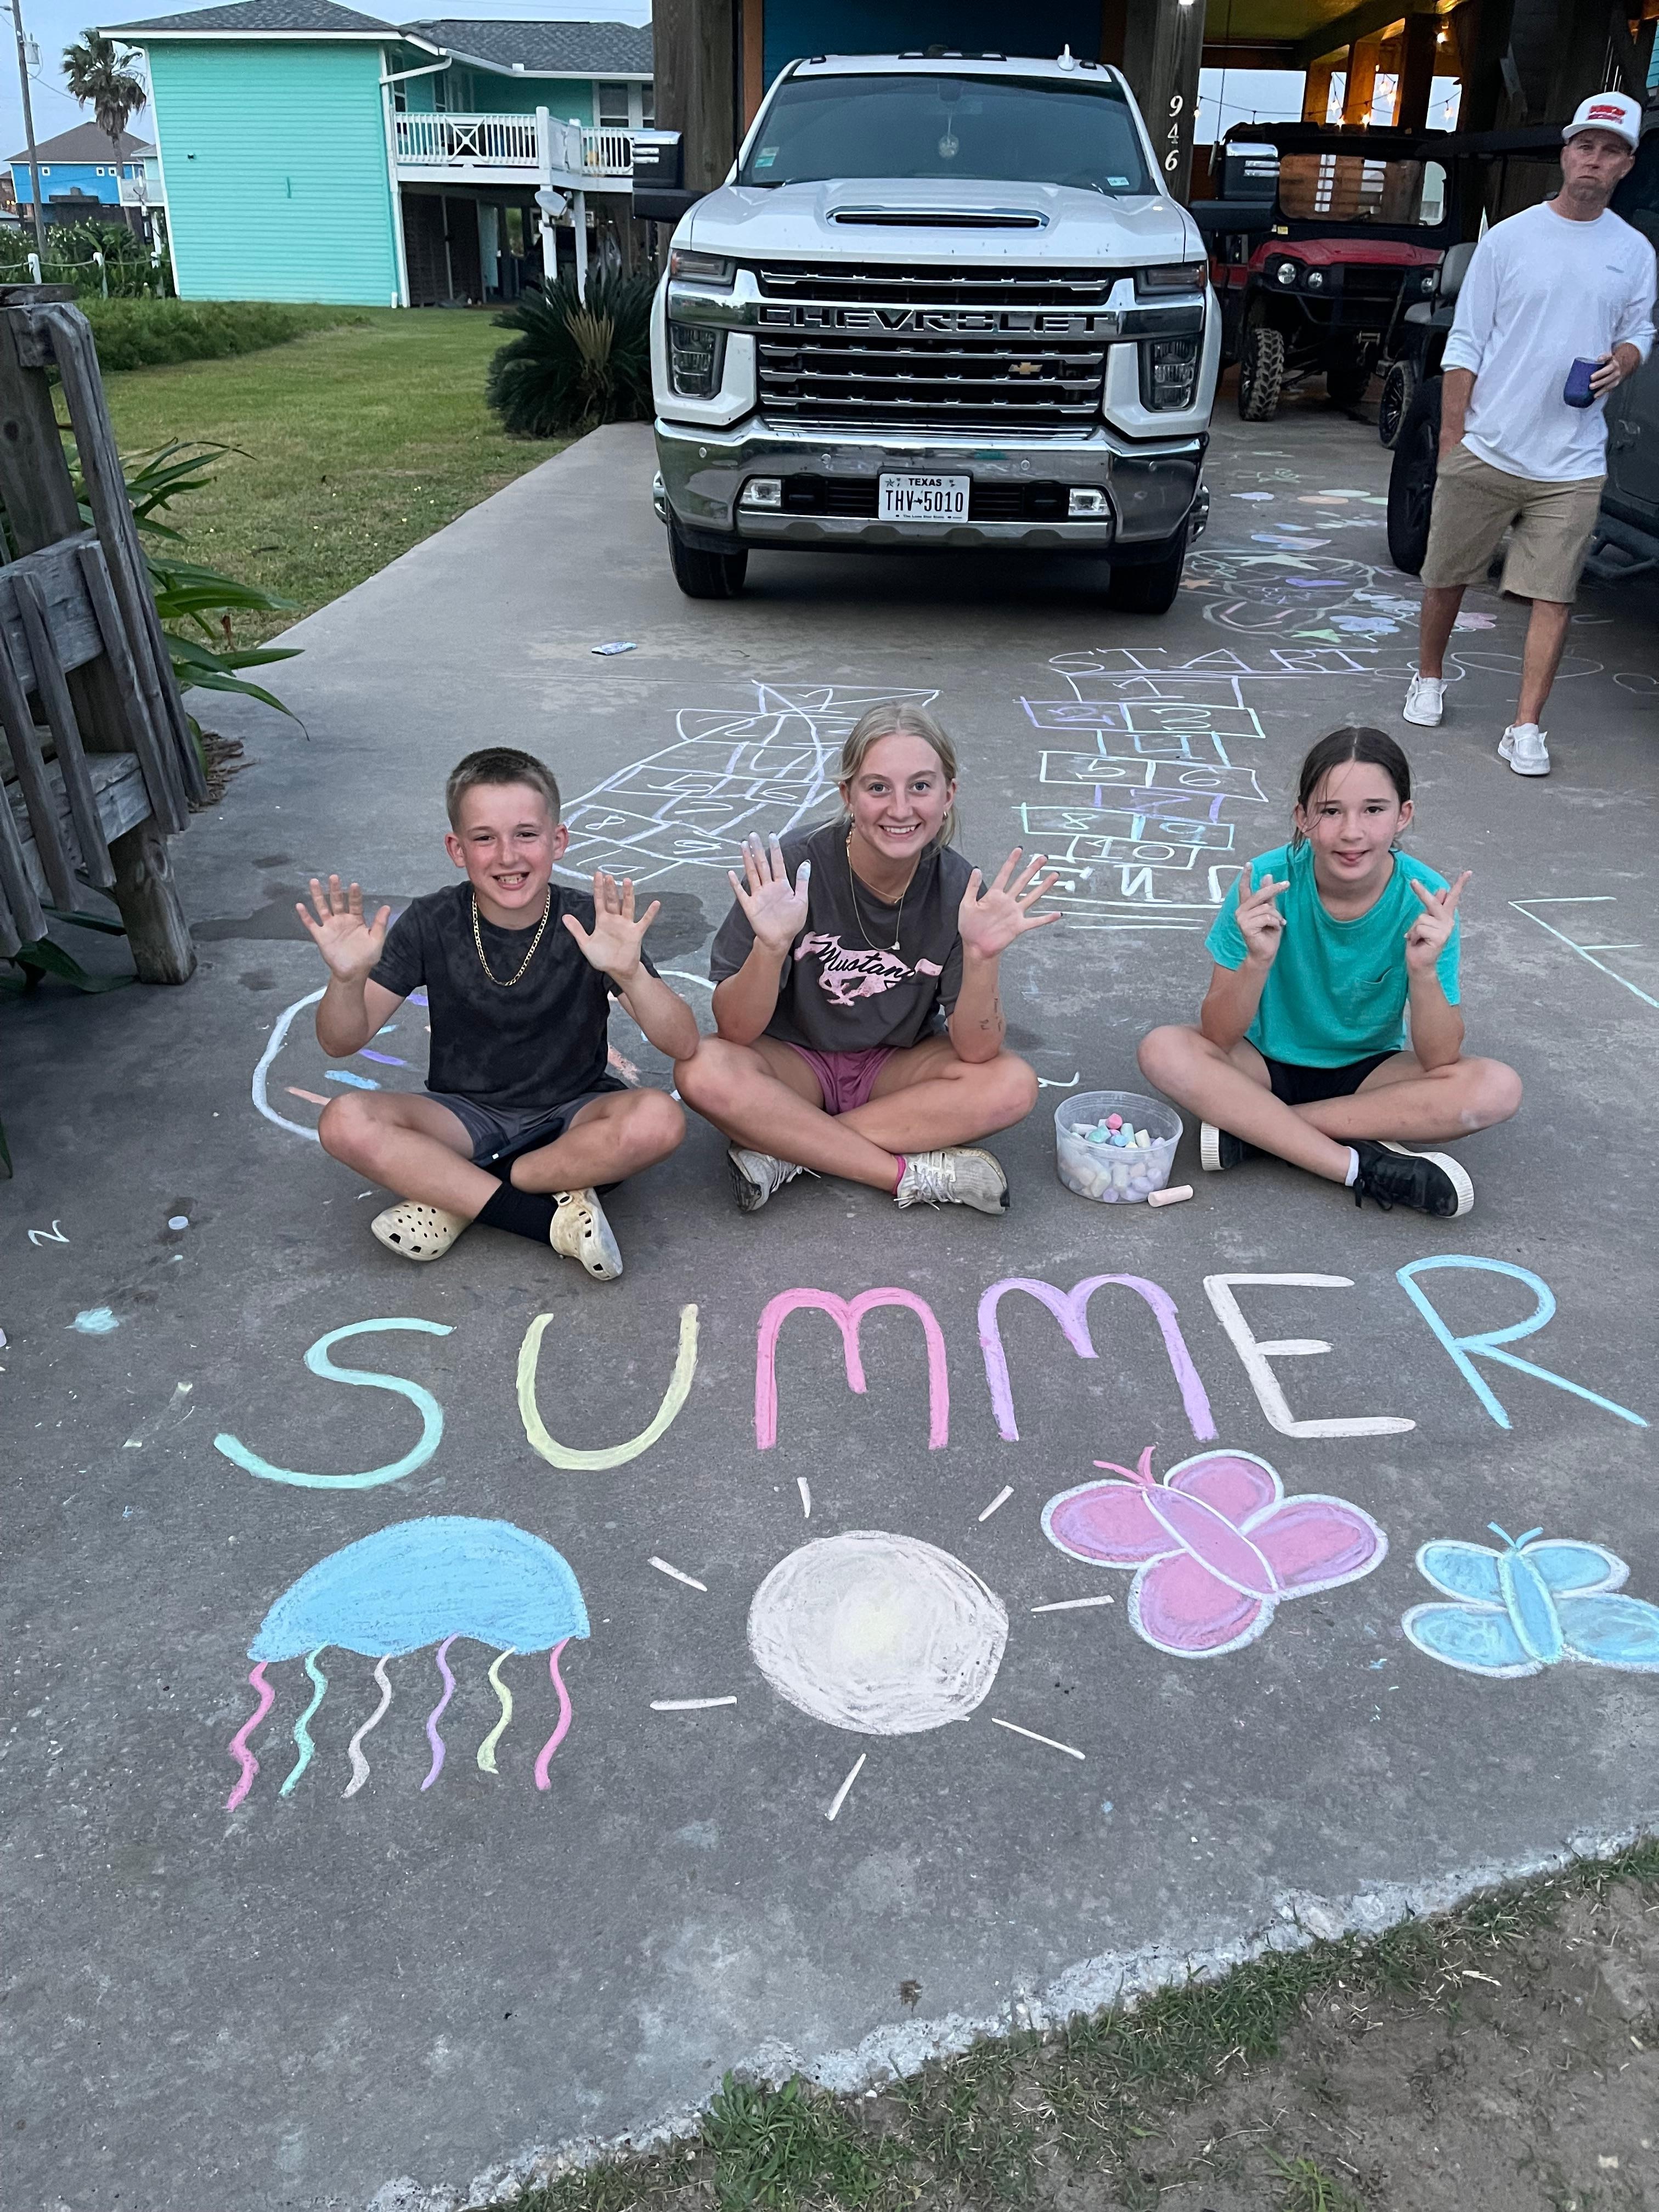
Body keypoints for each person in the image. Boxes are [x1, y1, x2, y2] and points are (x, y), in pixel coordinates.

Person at [298, 746, 698, 1278]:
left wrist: (631, 974)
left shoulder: (590, 920)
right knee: (344, 1121)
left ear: (558, 841)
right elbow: (340, 1040)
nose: (508, 856)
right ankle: (546, 1218)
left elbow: (682, 1043)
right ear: (456, 848)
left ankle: (455, 1191)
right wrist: (347, 982)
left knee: (659, 1120)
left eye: (526, 834)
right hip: (463, 1116)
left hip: (574, 1114)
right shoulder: (432, 920)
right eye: (484, 838)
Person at [674, 702, 1057, 1215]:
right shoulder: (790, 871)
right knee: (703, 1069)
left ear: (948, 795)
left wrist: (983, 956)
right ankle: (903, 1175)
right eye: (878, 787)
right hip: (794, 1061)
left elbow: (977, 1050)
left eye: (920, 786)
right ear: (847, 796)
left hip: (894, 1067)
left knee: (1012, 1085)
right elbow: (736, 1030)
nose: (900, 809)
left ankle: (786, 1147)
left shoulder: (958, 890)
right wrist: (770, 946)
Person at [1138, 726, 1521, 1218]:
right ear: (1302, 817)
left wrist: (1424, 972)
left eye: (1374, 810)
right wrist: (1256, 961)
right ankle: (1355, 1167)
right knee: (1164, 1049)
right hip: (1261, 1063)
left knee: (1496, 1088)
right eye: (1331, 811)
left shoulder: (1425, 896)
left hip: (1368, 1073)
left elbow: (1440, 1057)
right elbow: (1217, 1034)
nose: (1352, 832)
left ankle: (1259, 1131)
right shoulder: (1266, 883)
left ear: (1403, 815)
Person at [1403, 90, 1656, 778]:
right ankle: (1429, 677)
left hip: (1572, 459)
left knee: (1555, 595)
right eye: (1585, 146)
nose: (1594, 161)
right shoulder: (1510, 240)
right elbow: (1465, 343)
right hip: (1489, 445)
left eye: (1610, 152)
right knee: (1447, 577)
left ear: (1626, 166)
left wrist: (1626, 357)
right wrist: (1453, 439)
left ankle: (1525, 726)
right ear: (1566, 154)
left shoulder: (1633, 253)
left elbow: (1640, 328)